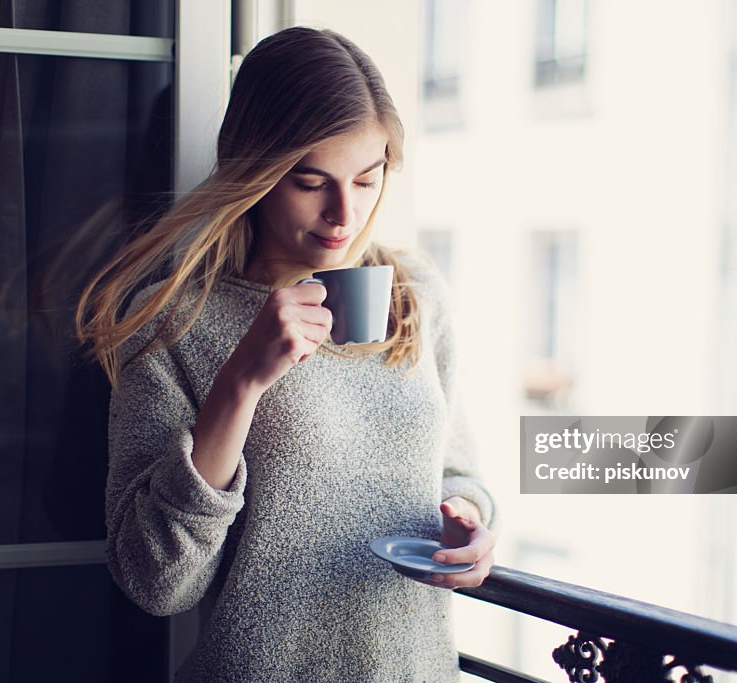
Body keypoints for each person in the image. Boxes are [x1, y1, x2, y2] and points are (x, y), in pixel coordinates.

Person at [75, 26, 497, 683]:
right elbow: (155, 579)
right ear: (256, 171)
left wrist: (468, 522)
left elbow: (457, 473)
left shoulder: (415, 296)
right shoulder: (174, 321)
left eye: (367, 177)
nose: (343, 213)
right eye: (309, 181)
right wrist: (242, 380)